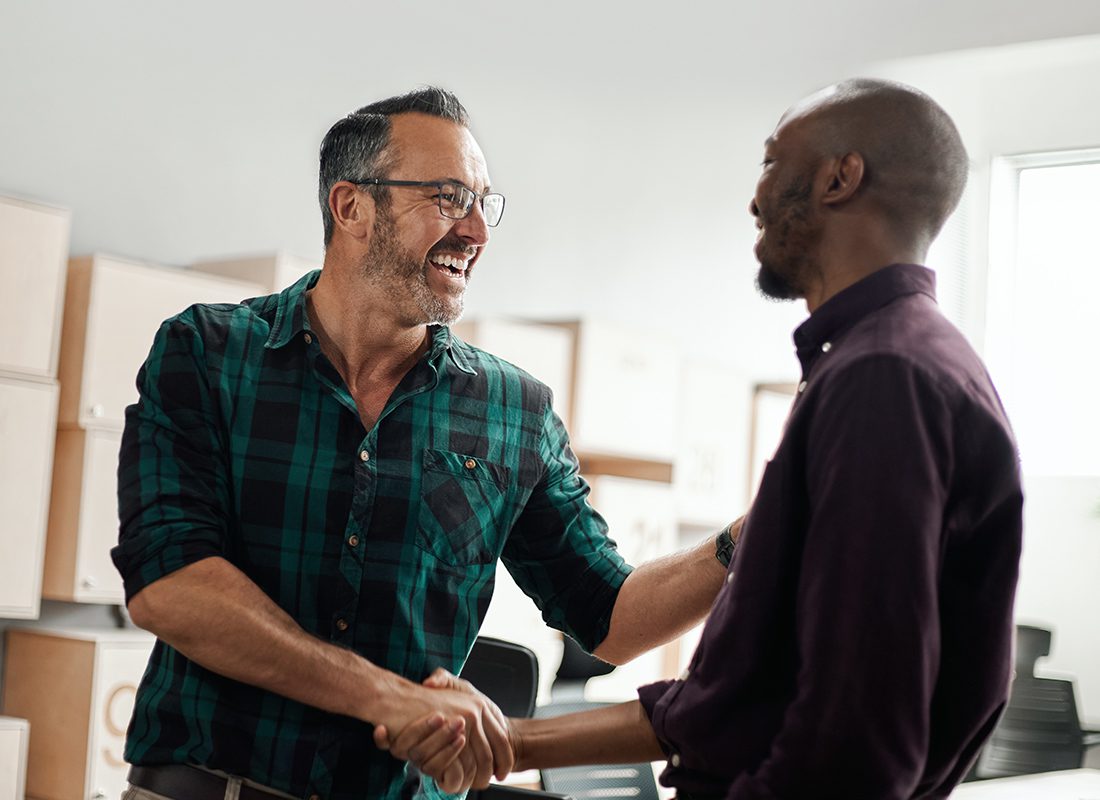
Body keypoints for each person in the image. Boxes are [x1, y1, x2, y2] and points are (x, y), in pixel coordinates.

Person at [386, 78, 1025, 799]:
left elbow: (854, 743)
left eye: (772, 163)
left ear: (841, 177)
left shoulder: (884, 378)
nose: (756, 199)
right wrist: (511, 742)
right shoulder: (894, 364)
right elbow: (734, 702)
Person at [111, 87, 735, 800]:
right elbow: (172, 586)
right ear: (351, 207)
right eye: (448, 197)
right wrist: (390, 698)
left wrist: (748, 537)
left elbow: (611, 620)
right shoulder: (207, 354)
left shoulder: (513, 411)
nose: (477, 231)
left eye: (484, 203)